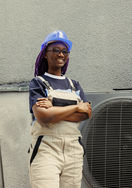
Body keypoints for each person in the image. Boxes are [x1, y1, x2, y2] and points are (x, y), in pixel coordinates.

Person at [29, 30, 92, 188]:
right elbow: (43, 117)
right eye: (55, 50)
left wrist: (54, 109)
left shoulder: (74, 85)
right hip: (47, 148)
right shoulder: (38, 83)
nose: (60, 54)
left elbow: (86, 114)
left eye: (64, 51)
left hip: (73, 150)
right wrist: (76, 107)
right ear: (45, 53)